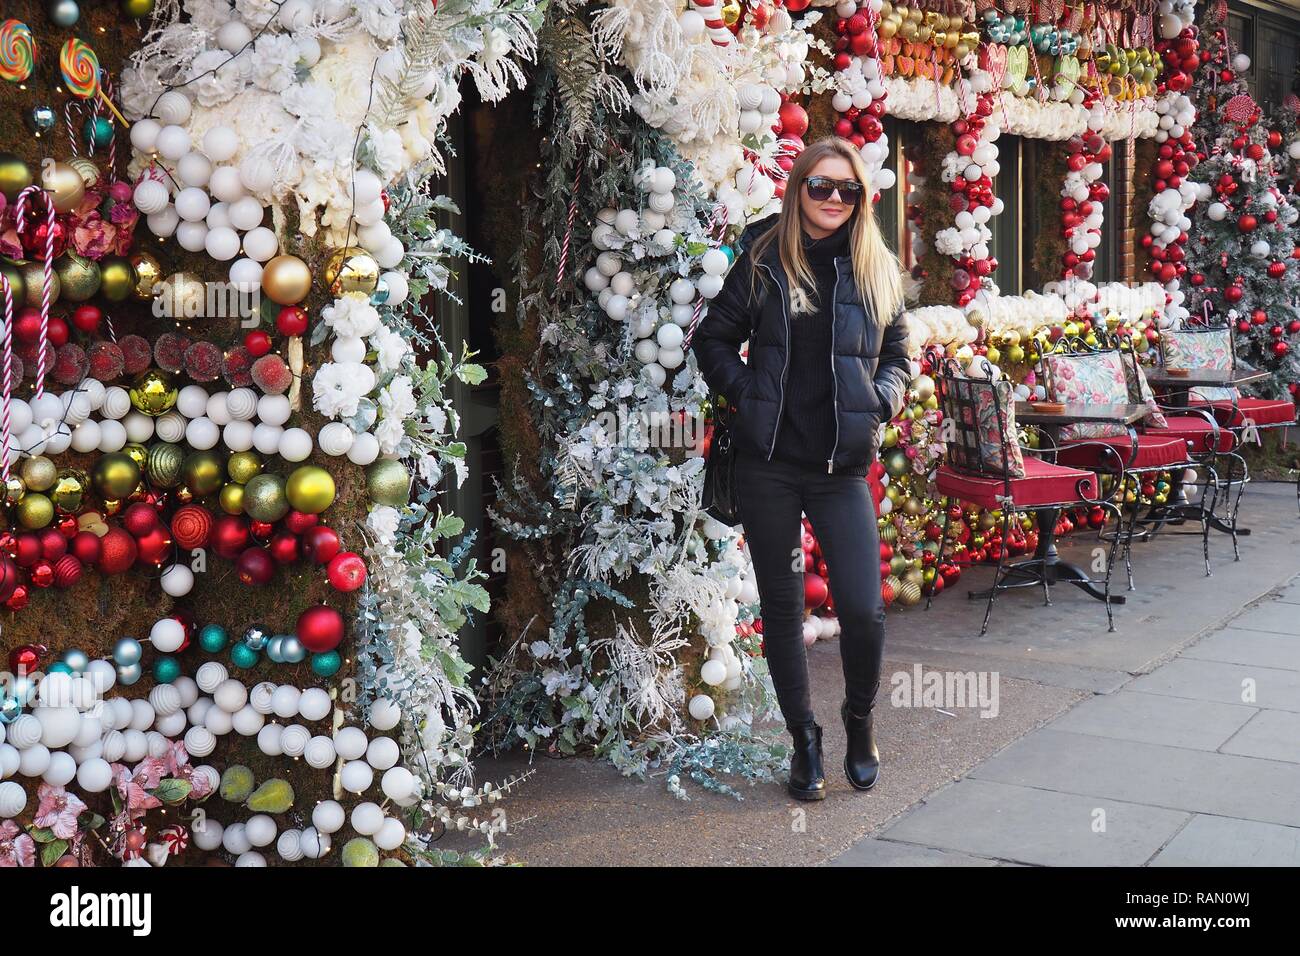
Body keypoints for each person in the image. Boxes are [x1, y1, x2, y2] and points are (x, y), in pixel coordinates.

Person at [692, 137, 909, 800]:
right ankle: (804, 742)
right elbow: (712, 338)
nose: (834, 200)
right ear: (798, 189)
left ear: (860, 197)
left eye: (847, 189)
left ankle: (859, 720)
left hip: (840, 467)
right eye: (821, 186)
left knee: (864, 610)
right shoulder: (763, 255)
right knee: (783, 609)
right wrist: (749, 394)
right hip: (769, 467)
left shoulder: (875, 262)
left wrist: (880, 399)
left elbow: (900, 353)